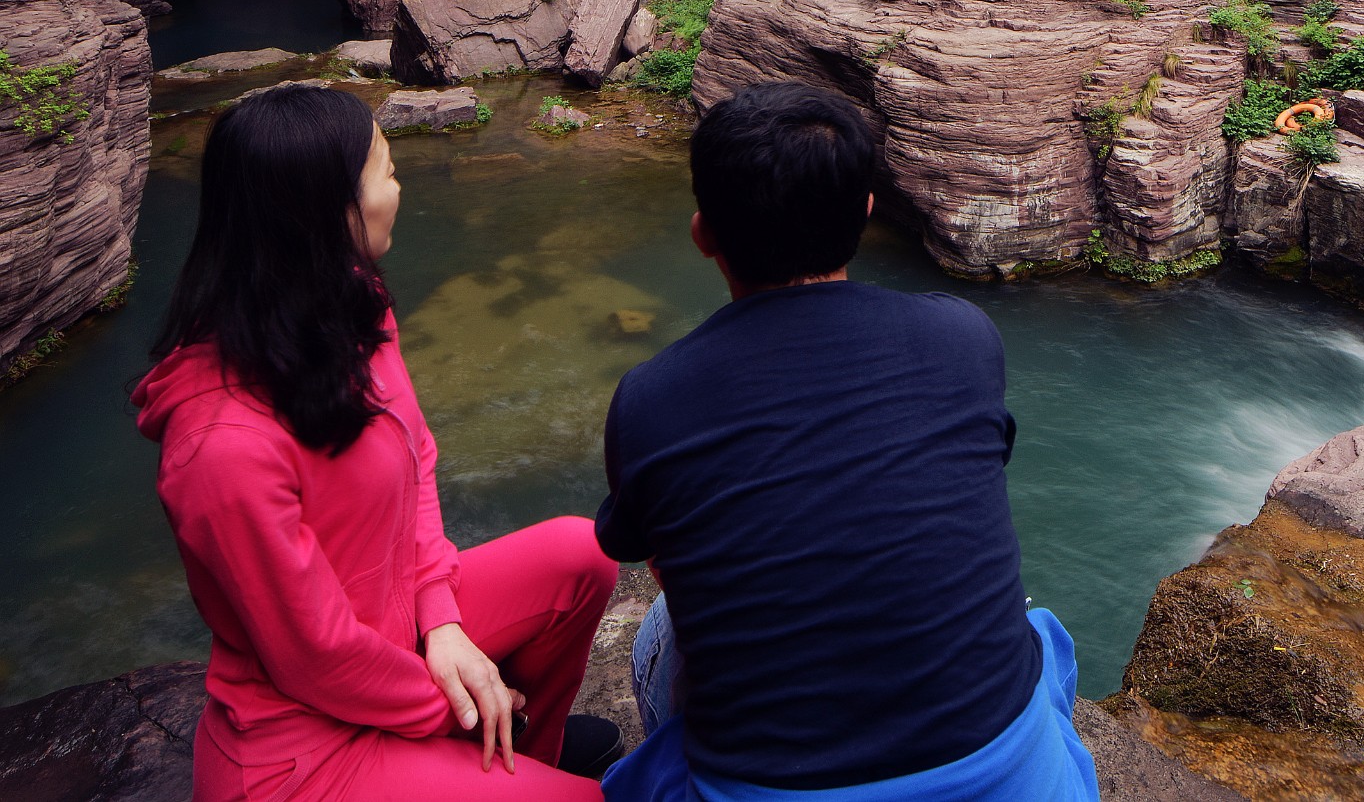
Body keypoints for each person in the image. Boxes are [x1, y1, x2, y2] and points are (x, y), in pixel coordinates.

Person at [597, 82, 1098, 802]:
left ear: (703, 232)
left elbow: (678, 574)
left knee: (658, 633)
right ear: (866, 214)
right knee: (1028, 624)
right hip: (1018, 785)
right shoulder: (962, 338)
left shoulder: (649, 399)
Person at [133, 85, 623, 802]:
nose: (400, 185)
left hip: (397, 638)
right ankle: (492, 747)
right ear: (330, 210)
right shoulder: (219, 447)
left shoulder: (352, 307)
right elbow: (315, 657)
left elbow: (417, 455)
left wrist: (443, 620)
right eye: (386, 169)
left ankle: (524, 758)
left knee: (583, 555)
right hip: (302, 746)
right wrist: (460, 705)